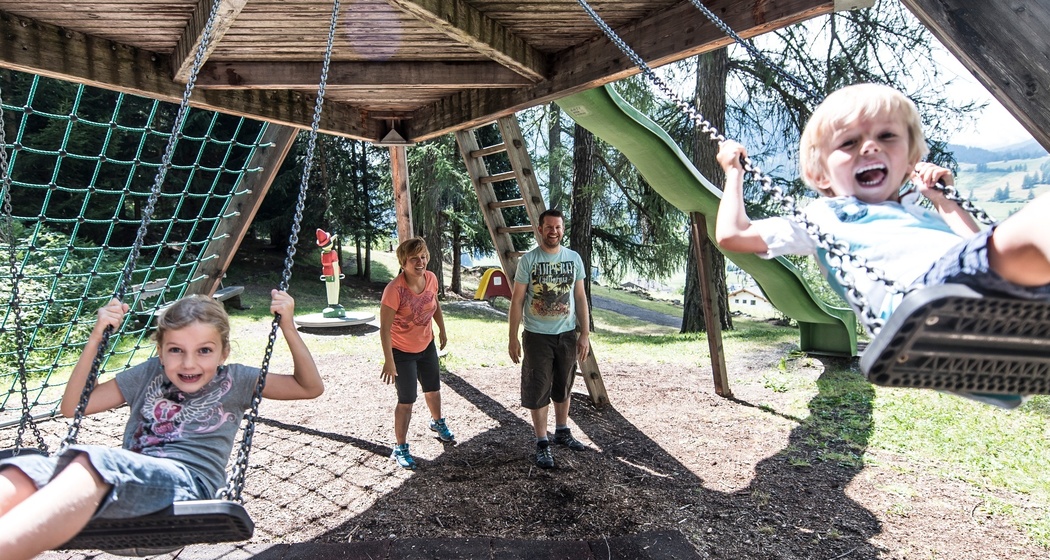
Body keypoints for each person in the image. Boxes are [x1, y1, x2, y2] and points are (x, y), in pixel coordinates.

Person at [715, 82, 1050, 404]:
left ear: (910, 160)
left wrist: (945, 201)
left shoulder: (923, 214)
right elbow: (732, 235)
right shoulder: (823, 216)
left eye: (887, 136)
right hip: (922, 303)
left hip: (991, 305)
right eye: (848, 143)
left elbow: (983, 254)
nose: (871, 146)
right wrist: (734, 173)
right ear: (821, 174)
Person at [0, 291, 323, 560]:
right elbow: (73, 406)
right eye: (176, 351)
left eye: (205, 351)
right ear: (161, 351)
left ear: (223, 352)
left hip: (186, 491)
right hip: (128, 488)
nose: (189, 363)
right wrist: (98, 336)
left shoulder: (238, 379)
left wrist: (288, 328)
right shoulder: (147, 373)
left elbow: (309, 387)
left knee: (92, 463)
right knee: (23, 466)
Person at [508, 208, 591, 469]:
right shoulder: (529, 261)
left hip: (566, 335)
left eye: (558, 227)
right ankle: (542, 442)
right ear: (540, 229)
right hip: (536, 335)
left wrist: (585, 333)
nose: (553, 231)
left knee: (564, 383)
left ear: (562, 230)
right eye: (549, 227)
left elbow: (580, 297)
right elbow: (517, 299)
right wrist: (512, 336)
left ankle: (562, 431)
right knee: (538, 386)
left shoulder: (574, 258)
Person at [380, 237, 452, 470]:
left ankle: (437, 422)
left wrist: (441, 329)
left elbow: (434, 303)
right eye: (414, 258)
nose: (420, 262)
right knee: (407, 399)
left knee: (433, 388)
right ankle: (400, 446)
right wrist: (389, 361)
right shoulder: (394, 290)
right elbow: (384, 329)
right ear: (403, 262)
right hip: (402, 351)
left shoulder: (431, 278)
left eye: (423, 257)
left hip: (426, 345)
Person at [316, 228, 345, 318]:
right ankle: (333, 303)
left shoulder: (326, 253)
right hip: (332, 273)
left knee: (332, 288)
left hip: (330, 272)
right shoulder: (331, 253)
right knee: (333, 288)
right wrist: (335, 274)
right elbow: (332, 265)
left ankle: (333, 303)